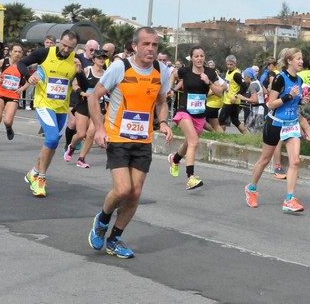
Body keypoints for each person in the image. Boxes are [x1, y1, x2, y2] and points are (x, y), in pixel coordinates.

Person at [87, 27, 173, 259]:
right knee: (123, 189)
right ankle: (102, 219)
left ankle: (115, 238)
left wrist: (163, 122)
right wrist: (99, 129)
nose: (151, 49)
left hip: (142, 140)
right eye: (146, 44)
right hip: (117, 137)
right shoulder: (119, 68)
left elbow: (162, 101)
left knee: (134, 194)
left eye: (155, 45)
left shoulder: (161, 70)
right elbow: (94, 97)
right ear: (135, 46)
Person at [18, 30, 80, 197]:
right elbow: (22, 63)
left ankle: (34, 172)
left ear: (75, 47)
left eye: (70, 47)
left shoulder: (75, 59)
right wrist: (28, 76)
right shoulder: (44, 53)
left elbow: (83, 83)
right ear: (60, 41)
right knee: (51, 138)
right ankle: (41, 179)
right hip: (43, 103)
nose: (66, 49)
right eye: (64, 45)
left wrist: (79, 72)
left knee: (51, 144)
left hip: (61, 107)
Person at [244, 48, 306, 212]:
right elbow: (270, 104)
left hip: (291, 124)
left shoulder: (299, 80)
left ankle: (289, 199)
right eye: (298, 59)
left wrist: (302, 101)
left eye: (302, 59)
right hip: (276, 122)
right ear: (289, 61)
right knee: (265, 160)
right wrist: (288, 96)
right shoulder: (280, 78)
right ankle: (251, 189)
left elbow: (294, 101)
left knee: (295, 161)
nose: (301, 61)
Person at [167, 46, 222, 189]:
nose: (199, 59)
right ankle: (190, 177)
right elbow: (173, 74)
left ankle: (175, 159)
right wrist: (170, 88)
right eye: (196, 56)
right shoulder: (185, 70)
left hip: (199, 114)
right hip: (184, 111)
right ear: (191, 58)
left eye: (201, 56)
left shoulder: (210, 73)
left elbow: (220, 93)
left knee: (189, 143)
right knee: (194, 142)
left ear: (204, 58)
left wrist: (208, 82)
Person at [63, 50, 108, 168]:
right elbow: (74, 84)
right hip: (83, 104)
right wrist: (82, 93)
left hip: (99, 106)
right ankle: (71, 147)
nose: (102, 60)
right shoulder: (87, 71)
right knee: (81, 134)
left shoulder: (107, 74)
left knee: (91, 133)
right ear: (94, 60)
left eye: (104, 58)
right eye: (99, 58)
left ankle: (81, 159)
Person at [0, 44, 29, 152]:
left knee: (7, 121)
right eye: (15, 51)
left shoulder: (23, 66)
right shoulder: (3, 62)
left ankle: (9, 128)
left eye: (19, 52)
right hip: (0, 92)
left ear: (22, 54)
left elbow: (29, 81)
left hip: (13, 95)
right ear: (11, 52)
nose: (17, 54)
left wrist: (22, 89)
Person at [218, 55, 247, 134]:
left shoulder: (236, 74)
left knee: (221, 120)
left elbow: (244, 86)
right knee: (235, 120)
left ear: (235, 64)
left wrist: (236, 96)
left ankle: (221, 137)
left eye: (231, 64)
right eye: (228, 64)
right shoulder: (228, 72)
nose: (229, 66)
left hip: (232, 101)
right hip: (228, 99)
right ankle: (246, 134)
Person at [236, 67, 265, 133]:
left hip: (257, 111)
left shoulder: (252, 86)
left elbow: (255, 100)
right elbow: (265, 91)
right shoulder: (258, 82)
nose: (244, 78)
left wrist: (243, 98)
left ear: (248, 77)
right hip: (260, 108)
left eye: (245, 76)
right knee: (249, 126)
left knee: (255, 130)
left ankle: (255, 141)